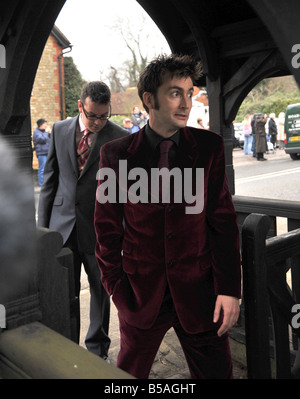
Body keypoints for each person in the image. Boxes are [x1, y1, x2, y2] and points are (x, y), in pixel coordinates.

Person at [94, 54, 241, 379]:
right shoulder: (115, 155)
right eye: (175, 92)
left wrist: (230, 289)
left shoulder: (209, 148)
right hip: (139, 294)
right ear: (149, 99)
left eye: (189, 92)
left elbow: (223, 223)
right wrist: (118, 290)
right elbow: (106, 232)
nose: (186, 102)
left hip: (202, 294)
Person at [38, 81, 128, 360]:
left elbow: (124, 192)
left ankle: (97, 351)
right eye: (93, 115)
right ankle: (68, 348)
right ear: (80, 107)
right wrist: (43, 231)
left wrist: (122, 233)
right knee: (65, 293)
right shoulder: (59, 129)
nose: (99, 122)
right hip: (61, 228)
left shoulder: (120, 137)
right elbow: (50, 182)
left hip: (101, 230)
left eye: (104, 115)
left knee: (101, 293)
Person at [33, 118, 50, 186]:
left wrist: (50, 134)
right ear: (41, 125)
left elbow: (50, 140)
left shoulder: (45, 132)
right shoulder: (36, 132)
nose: (46, 125)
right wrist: (47, 133)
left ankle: (47, 184)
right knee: (42, 169)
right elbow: (42, 139)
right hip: (41, 154)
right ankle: (42, 185)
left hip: (47, 152)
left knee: (48, 169)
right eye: (44, 124)